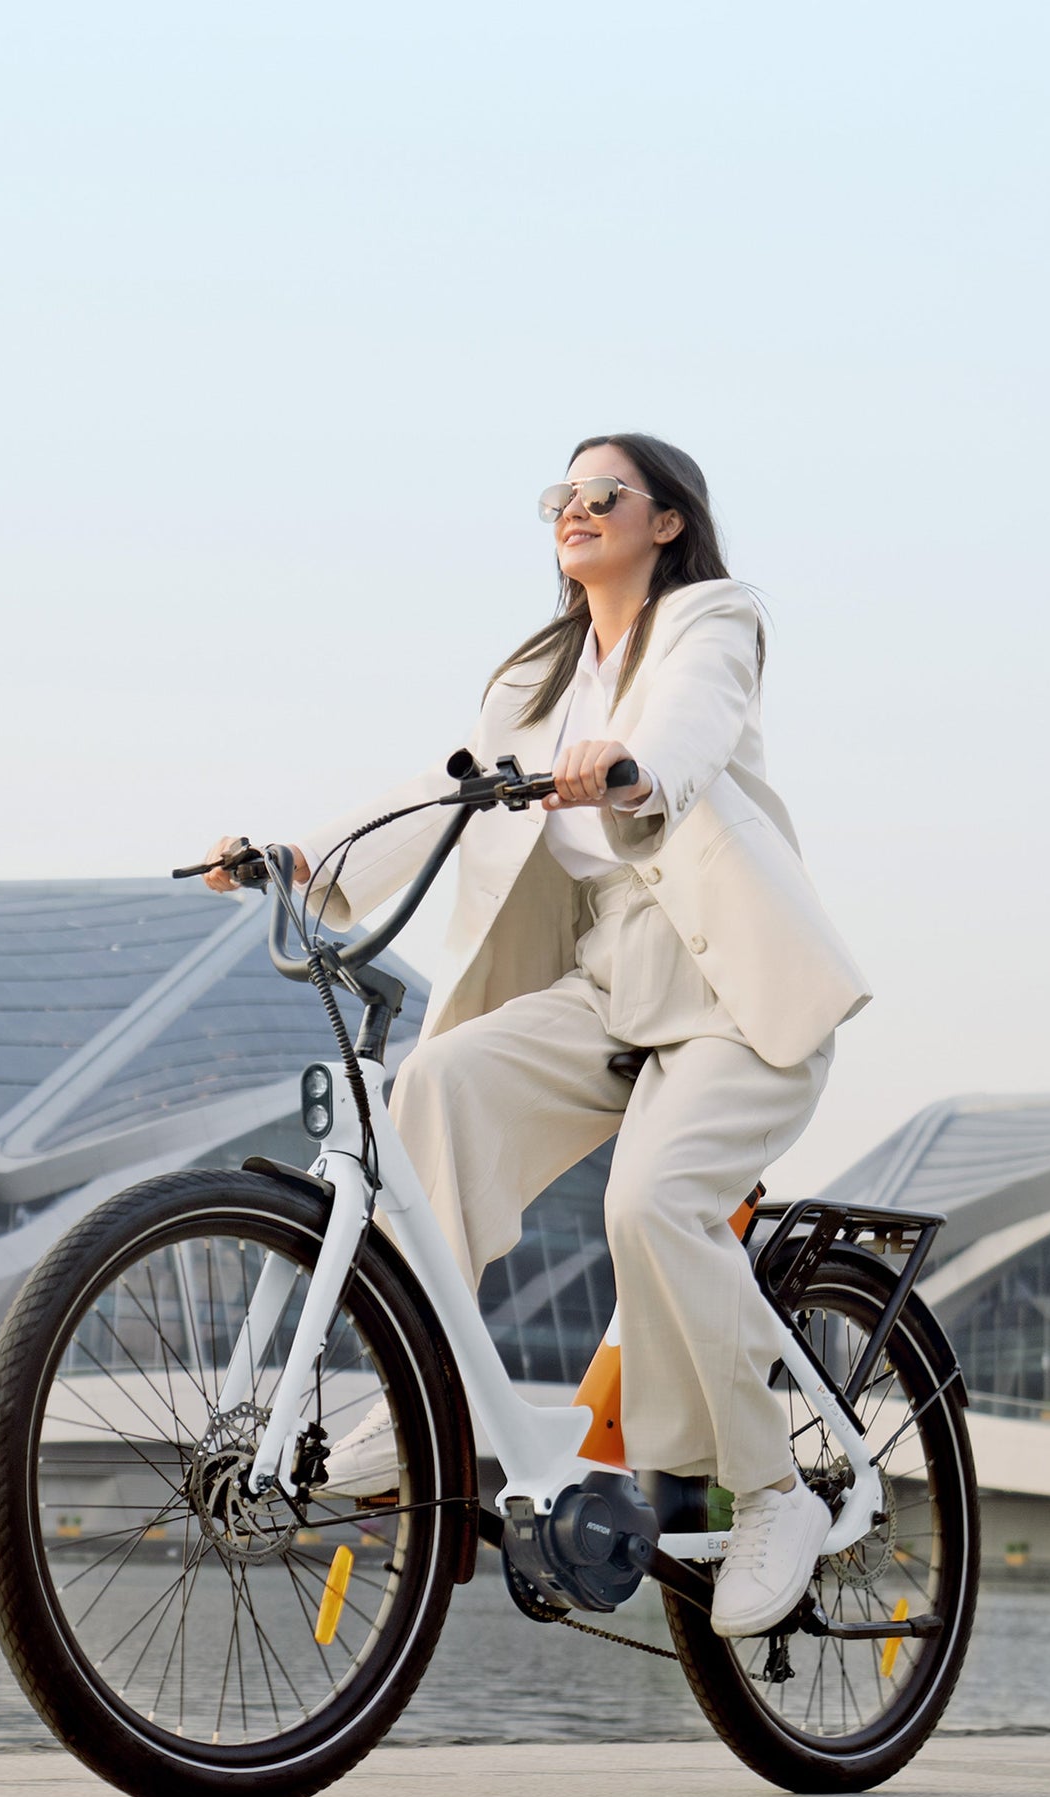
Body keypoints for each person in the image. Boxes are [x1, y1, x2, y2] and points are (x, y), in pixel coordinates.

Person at [202, 432, 870, 1637]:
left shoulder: (711, 622)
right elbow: (445, 791)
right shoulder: (540, 682)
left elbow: (690, 727)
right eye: (561, 495)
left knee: (651, 1202)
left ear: (666, 520)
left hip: (731, 1002)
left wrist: (626, 767)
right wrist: (308, 856)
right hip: (609, 988)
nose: (576, 509)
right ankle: (429, 1393)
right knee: (443, 1079)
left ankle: (772, 1487)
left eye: (603, 493)